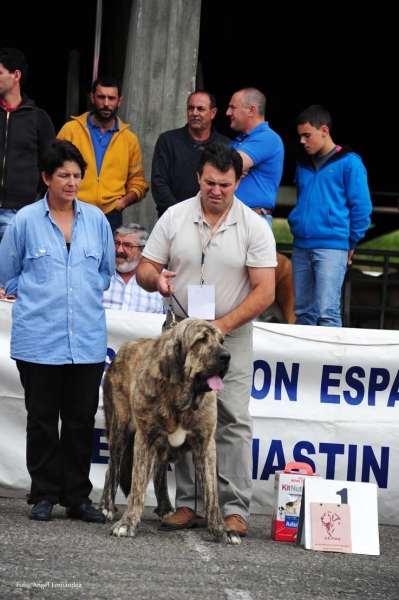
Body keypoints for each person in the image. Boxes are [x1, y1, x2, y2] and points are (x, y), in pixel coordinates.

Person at [136, 142, 277, 537]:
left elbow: (265, 291)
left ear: (239, 181)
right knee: (181, 412)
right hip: (180, 332)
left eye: (225, 185)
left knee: (231, 417)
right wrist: (156, 280)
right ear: (198, 177)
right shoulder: (174, 216)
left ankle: (234, 509)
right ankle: (189, 505)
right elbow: (147, 267)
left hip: (231, 332)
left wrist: (221, 328)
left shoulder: (254, 226)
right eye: (210, 182)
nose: (216, 191)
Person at [0, 139, 115, 523]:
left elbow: (105, 274)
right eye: (63, 175)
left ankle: (78, 498)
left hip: (86, 340)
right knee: (43, 420)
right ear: (46, 177)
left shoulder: (97, 220)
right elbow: (8, 276)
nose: (71, 182)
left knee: (82, 421)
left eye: (77, 175)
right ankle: (44, 494)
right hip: (38, 339)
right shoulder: (24, 221)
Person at [288, 104, 372, 327]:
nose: (302, 141)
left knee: (327, 311)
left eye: (307, 135)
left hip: (332, 247)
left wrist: (350, 242)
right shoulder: (302, 163)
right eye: (300, 136)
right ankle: (303, 360)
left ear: (324, 131)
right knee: (302, 312)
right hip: (301, 247)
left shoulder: (350, 163)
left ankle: (331, 363)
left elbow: (362, 209)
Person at [57, 75, 149, 233]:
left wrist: (122, 203)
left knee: (105, 258)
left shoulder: (129, 139)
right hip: (71, 209)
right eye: (101, 97)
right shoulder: (70, 130)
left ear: (119, 101)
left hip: (111, 215)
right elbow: (53, 170)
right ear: (92, 98)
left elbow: (138, 182)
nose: (106, 103)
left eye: (111, 98)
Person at [0, 47, 55, 260]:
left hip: (20, 211)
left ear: (16, 75)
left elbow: (50, 164)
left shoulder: (39, 118)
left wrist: (32, 192)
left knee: (12, 276)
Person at [151, 89, 231, 218]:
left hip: (212, 221)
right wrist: (181, 214)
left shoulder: (225, 145)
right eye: (190, 108)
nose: (194, 113)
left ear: (213, 113)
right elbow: (159, 183)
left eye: (200, 109)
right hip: (172, 219)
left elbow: (228, 186)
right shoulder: (168, 140)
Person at [226, 87, 284, 228]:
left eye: (233, 107)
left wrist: (233, 167)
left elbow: (226, 166)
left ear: (251, 110)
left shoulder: (267, 137)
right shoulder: (235, 142)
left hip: (253, 219)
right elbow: (215, 168)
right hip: (232, 218)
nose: (228, 113)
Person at [103, 222, 165, 313]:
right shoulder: (100, 273)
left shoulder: (160, 279)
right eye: (116, 243)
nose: (119, 250)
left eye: (127, 245)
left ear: (143, 251)